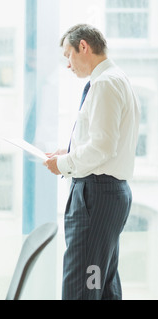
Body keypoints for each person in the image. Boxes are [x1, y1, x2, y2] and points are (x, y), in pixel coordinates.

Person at [44, 24, 140, 300]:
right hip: (105, 194)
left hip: (95, 196)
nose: (68, 65)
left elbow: (102, 146)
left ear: (83, 46)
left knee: (83, 283)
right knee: (99, 280)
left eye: (68, 55)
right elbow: (105, 141)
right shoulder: (116, 79)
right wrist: (69, 152)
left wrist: (63, 164)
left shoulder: (105, 84)